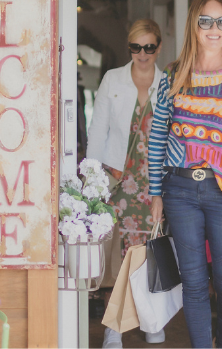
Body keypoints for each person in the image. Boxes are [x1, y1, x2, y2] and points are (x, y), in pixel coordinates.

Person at [148, 0, 222, 349]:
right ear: (194, 26)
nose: (215, 28)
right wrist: (155, 192)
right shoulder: (173, 75)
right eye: (206, 21)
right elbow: (157, 136)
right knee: (195, 283)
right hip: (179, 190)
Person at [87, 19, 165, 349]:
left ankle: (151, 319)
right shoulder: (113, 79)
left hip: (154, 183)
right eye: (136, 47)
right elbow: (98, 131)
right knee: (116, 258)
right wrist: (91, 183)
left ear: (158, 47)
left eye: (149, 47)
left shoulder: (168, 83)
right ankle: (114, 329)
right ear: (128, 47)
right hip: (118, 179)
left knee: (149, 253)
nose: (143, 54)